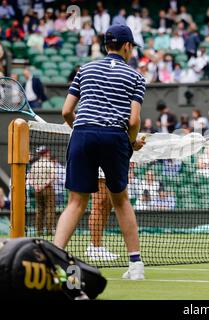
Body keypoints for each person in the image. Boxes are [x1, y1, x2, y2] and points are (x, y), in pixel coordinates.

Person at [54, 24, 146, 280]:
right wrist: (130, 143)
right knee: (121, 200)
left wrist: (80, 129)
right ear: (127, 46)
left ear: (107, 45)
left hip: (83, 133)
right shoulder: (136, 77)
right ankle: (136, 265)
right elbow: (134, 120)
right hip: (115, 136)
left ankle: (53, 261)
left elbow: (65, 111)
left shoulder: (85, 69)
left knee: (76, 202)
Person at [85, 177, 119, 261]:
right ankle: (97, 249)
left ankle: (93, 244)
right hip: (99, 167)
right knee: (99, 203)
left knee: (108, 203)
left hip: (112, 167)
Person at [27, 146, 57, 236]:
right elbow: (52, 177)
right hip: (47, 188)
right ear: (47, 153)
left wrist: (36, 187)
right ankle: (49, 230)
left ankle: (39, 231)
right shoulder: (49, 164)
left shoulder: (35, 165)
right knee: (50, 209)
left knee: (39, 210)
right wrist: (43, 185)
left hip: (37, 190)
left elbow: (30, 178)